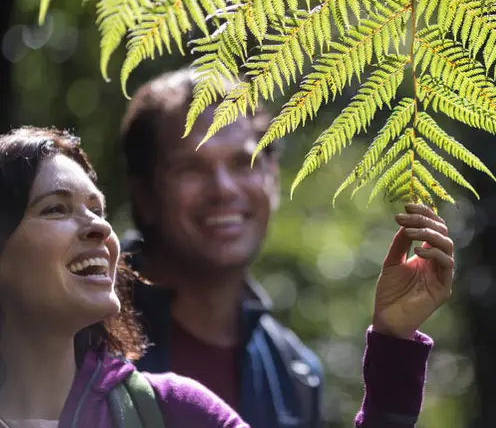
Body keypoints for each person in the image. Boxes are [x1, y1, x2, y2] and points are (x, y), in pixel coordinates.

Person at [0, 125, 454, 427]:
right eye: (55, 208)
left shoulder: (175, 410)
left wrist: (394, 339)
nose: (99, 226)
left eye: (98, 209)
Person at [118, 68, 455, 427]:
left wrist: (393, 342)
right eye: (190, 168)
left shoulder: (294, 373)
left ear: (273, 179)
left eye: (243, 162)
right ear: (145, 195)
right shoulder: (84, 333)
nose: (224, 189)